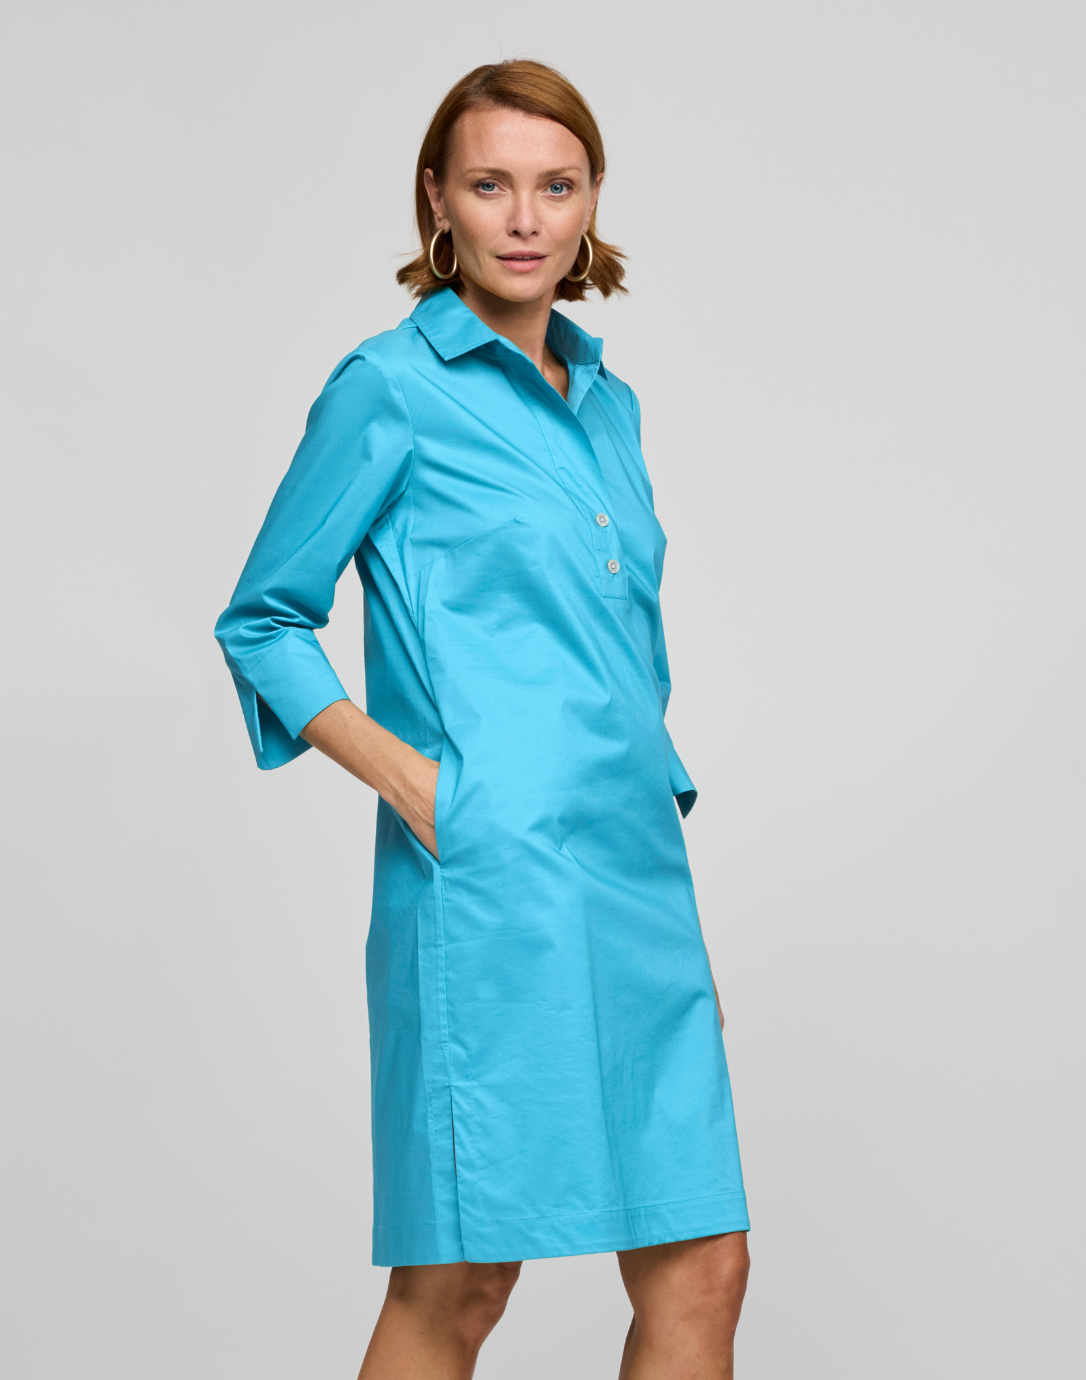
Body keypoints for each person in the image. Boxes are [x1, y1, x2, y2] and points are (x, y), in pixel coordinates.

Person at [214, 59, 750, 1380]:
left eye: (554, 186)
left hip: (634, 872)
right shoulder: (388, 387)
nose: (523, 218)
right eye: (490, 184)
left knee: (704, 1262)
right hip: (490, 881)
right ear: (437, 201)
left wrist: (654, 791)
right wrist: (416, 783)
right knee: (462, 1280)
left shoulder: (608, 401)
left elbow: (615, 635)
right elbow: (263, 618)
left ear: (590, 202)